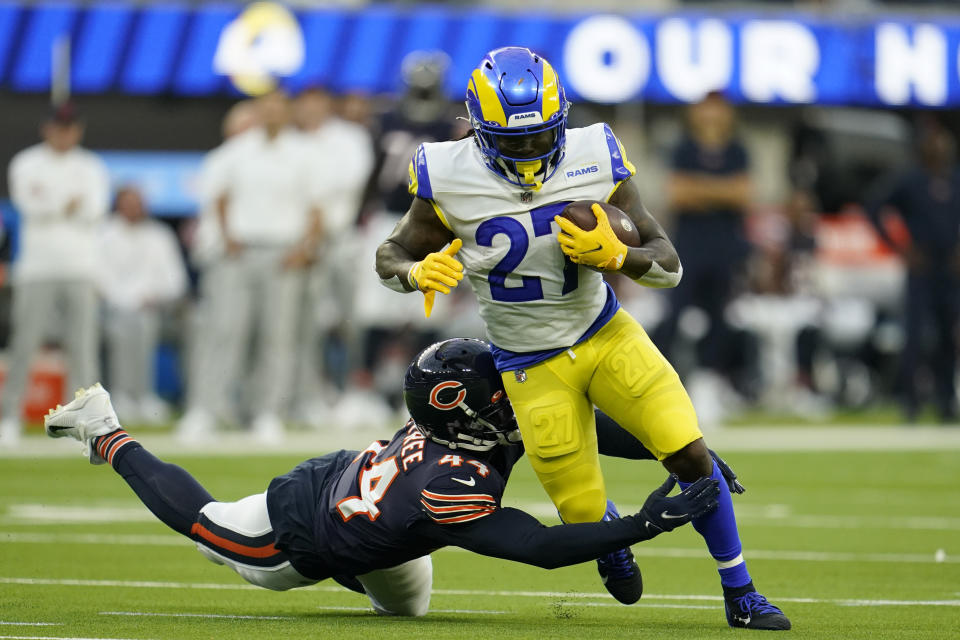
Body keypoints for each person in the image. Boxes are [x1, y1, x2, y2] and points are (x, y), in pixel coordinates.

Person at [375, 47, 790, 630]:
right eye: (512, 140)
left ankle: (741, 592)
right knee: (582, 514)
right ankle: (611, 535)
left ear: (561, 117)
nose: (529, 150)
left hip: (607, 334)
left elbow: (668, 263)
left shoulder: (595, 151)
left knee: (689, 450)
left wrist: (623, 256)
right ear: (477, 129)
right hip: (528, 361)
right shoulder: (444, 171)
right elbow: (389, 253)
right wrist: (414, 274)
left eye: (542, 135)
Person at [44, 338, 720, 616]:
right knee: (208, 528)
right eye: (497, 389)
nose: (510, 392)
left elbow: (585, 431)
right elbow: (537, 548)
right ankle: (105, 431)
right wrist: (641, 525)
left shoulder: (474, 426)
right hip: (307, 529)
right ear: (472, 412)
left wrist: (681, 450)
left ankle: (371, 562)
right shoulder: (451, 482)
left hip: (376, 514)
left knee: (409, 611)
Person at [187, 89, 324, 442]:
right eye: (267, 107)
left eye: (279, 107)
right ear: (260, 111)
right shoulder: (238, 151)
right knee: (226, 331)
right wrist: (228, 237)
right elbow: (219, 196)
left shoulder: (305, 153)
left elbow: (316, 208)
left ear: (287, 112)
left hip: (284, 252)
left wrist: (304, 248)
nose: (273, 113)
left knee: (277, 337)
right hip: (242, 249)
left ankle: (268, 414)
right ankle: (206, 410)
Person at [0, 102, 109, 445]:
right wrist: (64, 204)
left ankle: (89, 423)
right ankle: (9, 417)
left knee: (82, 346)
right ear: (47, 128)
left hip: (80, 267)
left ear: (78, 130)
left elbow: (94, 209)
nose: (64, 134)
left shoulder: (91, 166)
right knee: (25, 343)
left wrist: (56, 204)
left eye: (70, 127)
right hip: (36, 268)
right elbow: (29, 204)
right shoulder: (27, 162)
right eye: (58, 127)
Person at [654, 90, 754, 426]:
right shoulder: (683, 147)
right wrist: (720, 191)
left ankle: (708, 386)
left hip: (725, 248)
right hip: (689, 247)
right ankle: (657, 386)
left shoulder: (737, 149)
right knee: (674, 315)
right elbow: (678, 194)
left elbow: (742, 195)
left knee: (720, 319)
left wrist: (702, 190)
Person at [864, 121, 960, 423]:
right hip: (922, 266)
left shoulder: (956, 178)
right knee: (916, 338)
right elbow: (873, 206)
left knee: (948, 337)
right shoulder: (910, 180)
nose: (938, 148)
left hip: (951, 269)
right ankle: (911, 404)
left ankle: (946, 402)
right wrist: (900, 247)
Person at [177, 100, 259, 441]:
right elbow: (216, 203)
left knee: (246, 336)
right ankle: (202, 408)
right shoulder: (224, 160)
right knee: (220, 334)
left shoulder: (258, 161)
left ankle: (225, 403)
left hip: (250, 255)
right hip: (226, 256)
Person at [97, 186, 188, 424]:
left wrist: (152, 296)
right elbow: (98, 277)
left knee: (143, 322)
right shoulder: (103, 233)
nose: (133, 208)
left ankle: (144, 395)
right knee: (125, 323)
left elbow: (175, 280)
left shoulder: (160, 235)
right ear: (118, 205)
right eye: (128, 203)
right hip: (112, 308)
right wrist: (123, 300)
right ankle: (123, 394)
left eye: (138, 203)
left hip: (156, 308)